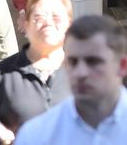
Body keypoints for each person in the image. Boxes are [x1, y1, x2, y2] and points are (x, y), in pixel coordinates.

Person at [15, 15, 127, 145]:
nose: (81, 73)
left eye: (93, 62)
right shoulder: (35, 135)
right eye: (73, 62)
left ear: (122, 66)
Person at [0, 0, 72, 141]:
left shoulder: (84, 73)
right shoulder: (3, 75)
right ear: (25, 24)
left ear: (69, 24)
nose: (48, 22)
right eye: (39, 17)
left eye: (56, 17)